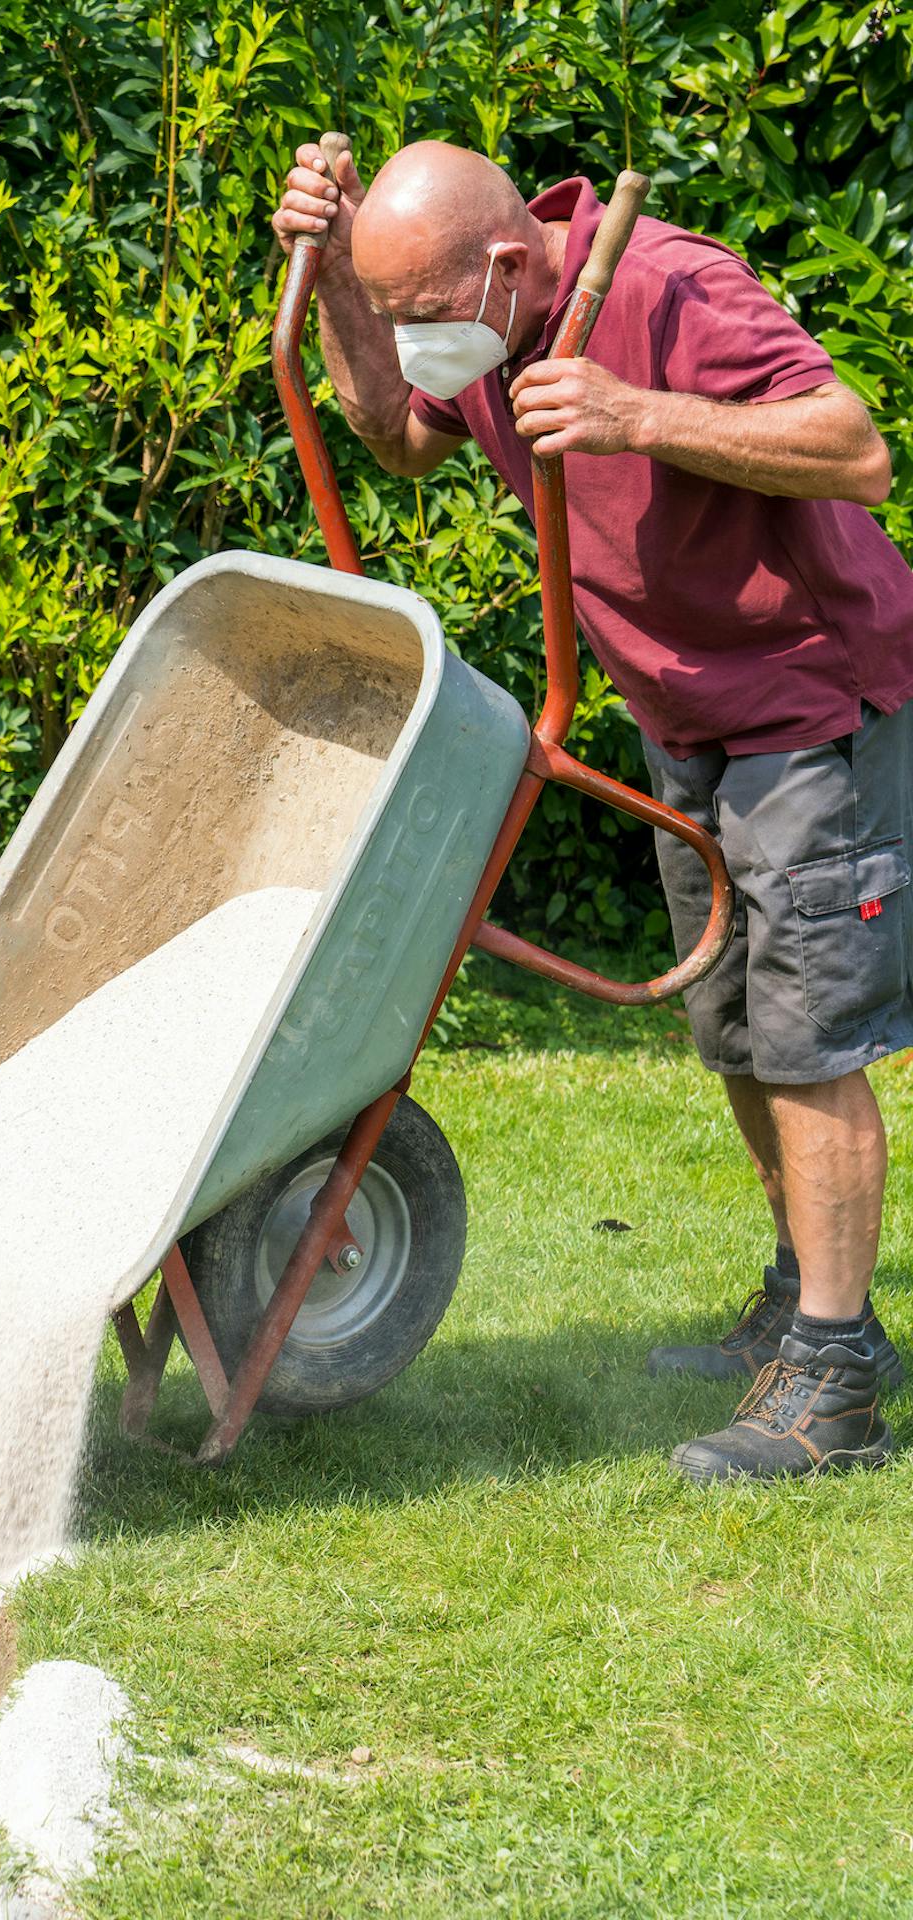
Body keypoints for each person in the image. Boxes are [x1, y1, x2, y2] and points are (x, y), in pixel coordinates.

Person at [274, 137, 913, 1484]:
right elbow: (395, 439)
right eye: (394, 315)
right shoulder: (484, 320)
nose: (416, 342)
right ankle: (806, 1301)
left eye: (421, 313)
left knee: (807, 1038)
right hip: (687, 711)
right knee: (735, 1026)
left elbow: (857, 451)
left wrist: (638, 415)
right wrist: (332, 282)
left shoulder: (672, 289)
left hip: (809, 697)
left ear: (506, 264)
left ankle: (838, 1388)